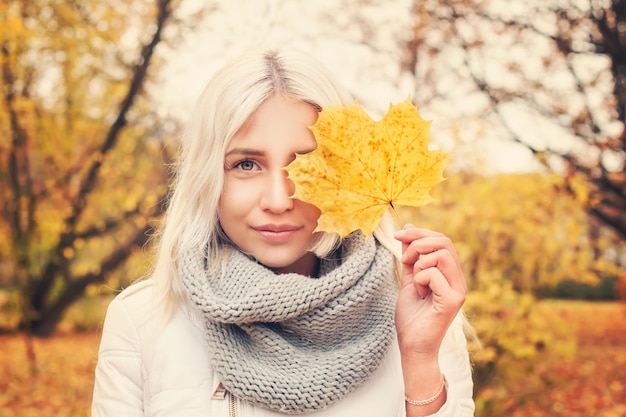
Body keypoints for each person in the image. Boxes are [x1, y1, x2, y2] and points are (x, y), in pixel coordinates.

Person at [91, 47, 475, 417]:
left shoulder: (421, 314)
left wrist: (420, 361)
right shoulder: (144, 321)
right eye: (245, 165)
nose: (278, 199)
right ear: (208, 177)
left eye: (306, 165)